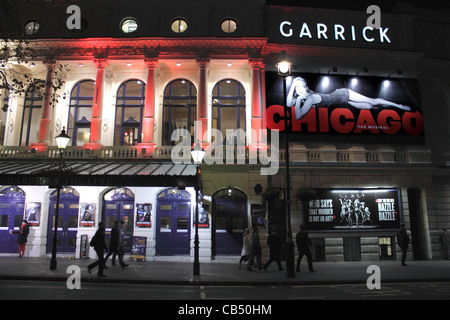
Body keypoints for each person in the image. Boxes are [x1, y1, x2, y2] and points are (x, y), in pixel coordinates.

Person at [287, 77, 411, 120]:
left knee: (371, 101)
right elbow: (288, 104)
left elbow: (298, 116)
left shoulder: (311, 98)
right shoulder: (304, 98)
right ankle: (393, 107)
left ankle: (399, 106)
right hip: (341, 101)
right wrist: (292, 85)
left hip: (342, 94)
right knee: (370, 107)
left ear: (306, 87)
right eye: (297, 89)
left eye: (301, 87)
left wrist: (298, 99)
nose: (299, 91)